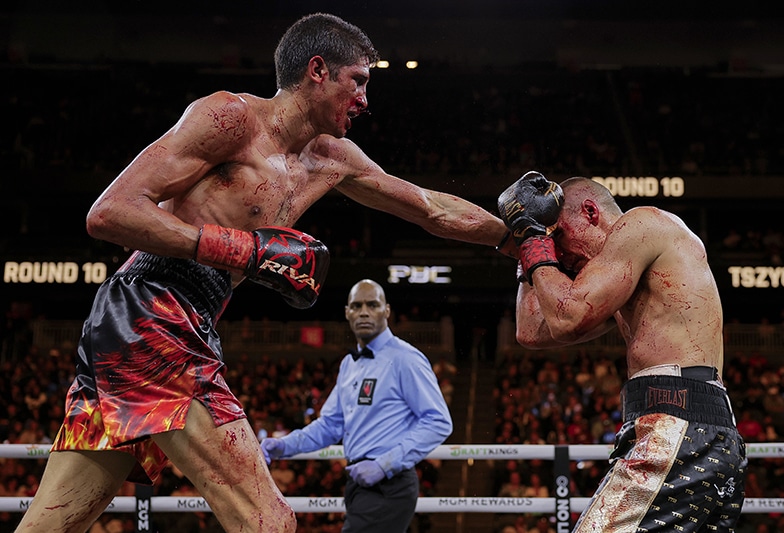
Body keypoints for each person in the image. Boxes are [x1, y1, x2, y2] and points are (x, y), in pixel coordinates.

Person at [16, 13, 511, 533]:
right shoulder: (230, 118)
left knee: (55, 522)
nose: (365, 100)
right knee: (267, 520)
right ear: (317, 70)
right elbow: (111, 212)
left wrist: (513, 239)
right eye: (358, 81)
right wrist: (240, 249)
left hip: (176, 320)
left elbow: (430, 207)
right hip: (152, 310)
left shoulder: (332, 158)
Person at [497, 173, 747, 532]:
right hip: (694, 427)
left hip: (678, 428)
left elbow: (568, 316)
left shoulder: (642, 223)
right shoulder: (626, 285)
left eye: (562, 237)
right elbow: (532, 330)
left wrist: (535, 239)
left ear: (590, 211)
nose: (561, 254)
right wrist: (528, 250)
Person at [261, 279, 452, 533]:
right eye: (357, 305)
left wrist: (384, 465)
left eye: (372, 305)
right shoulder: (349, 364)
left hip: (389, 485)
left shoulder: (406, 359)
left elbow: (438, 421)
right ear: (347, 312)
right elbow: (330, 425)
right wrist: (284, 446)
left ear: (387, 311)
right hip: (358, 483)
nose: (364, 311)